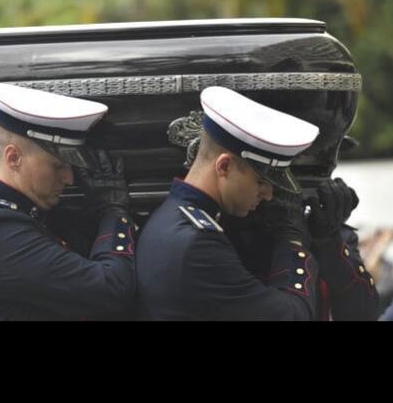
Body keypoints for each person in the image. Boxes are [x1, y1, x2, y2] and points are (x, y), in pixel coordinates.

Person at [136, 86, 378, 320]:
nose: (270, 195)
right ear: (224, 166)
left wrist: (328, 242)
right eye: (261, 181)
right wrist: (291, 239)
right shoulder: (197, 243)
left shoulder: (173, 220)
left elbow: (363, 312)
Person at [0, 83, 137, 320]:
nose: (69, 178)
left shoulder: (10, 215)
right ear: (14, 158)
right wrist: (113, 211)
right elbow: (111, 289)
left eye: (71, 167)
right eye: (58, 166)